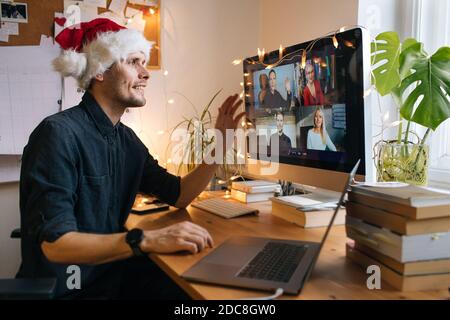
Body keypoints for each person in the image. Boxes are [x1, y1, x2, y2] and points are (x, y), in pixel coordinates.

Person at [17, 18, 245, 300]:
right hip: (71, 289)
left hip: (112, 274)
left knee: (212, 289)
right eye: (134, 61)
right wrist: (148, 239)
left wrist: (219, 145)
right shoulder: (57, 135)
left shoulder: (127, 141)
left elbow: (180, 194)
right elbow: (56, 245)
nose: (145, 73)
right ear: (100, 71)